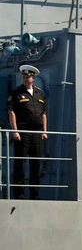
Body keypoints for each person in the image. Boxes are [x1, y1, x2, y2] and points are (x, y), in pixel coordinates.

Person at [7, 65, 47, 200]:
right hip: (22, 131)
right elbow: (11, 112)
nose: (25, 78)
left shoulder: (39, 93)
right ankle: (19, 194)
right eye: (23, 76)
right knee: (20, 164)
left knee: (36, 164)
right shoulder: (16, 93)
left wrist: (44, 131)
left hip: (37, 132)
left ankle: (35, 195)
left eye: (28, 77)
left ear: (33, 78)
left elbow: (43, 113)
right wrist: (15, 131)